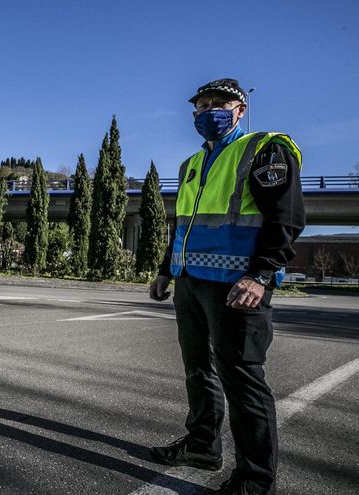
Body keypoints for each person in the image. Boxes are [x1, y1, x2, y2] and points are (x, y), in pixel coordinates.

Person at [148, 78, 305, 495]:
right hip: (192, 283)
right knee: (197, 370)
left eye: (220, 103)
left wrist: (260, 275)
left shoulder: (264, 150)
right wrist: (167, 269)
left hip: (239, 286)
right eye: (202, 105)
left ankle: (254, 481)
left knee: (242, 380)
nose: (209, 111)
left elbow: (285, 219)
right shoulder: (191, 165)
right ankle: (202, 446)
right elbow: (183, 224)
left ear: (240, 110)